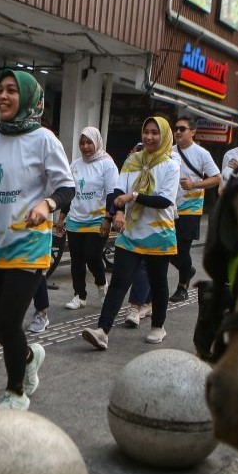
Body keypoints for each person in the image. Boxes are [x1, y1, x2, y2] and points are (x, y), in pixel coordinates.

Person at [0, 69, 74, 410]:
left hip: (29, 242)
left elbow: (67, 187)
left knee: (10, 320)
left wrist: (47, 203)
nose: (4, 96)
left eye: (12, 90)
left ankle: (16, 391)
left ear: (26, 98)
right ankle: (28, 355)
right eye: (0, 90)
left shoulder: (44, 140)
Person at [82, 116, 179, 349]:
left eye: (155, 133)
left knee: (157, 283)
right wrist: (116, 211)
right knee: (119, 282)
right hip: (131, 233)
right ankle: (102, 331)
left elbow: (164, 201)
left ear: (164, 136)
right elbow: (118, 189)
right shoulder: (132, 161)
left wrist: (132, 197)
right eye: (146, 131)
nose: (149, 137)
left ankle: (158, 326)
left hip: (158, 233)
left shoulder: (171, 165)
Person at [58, 127, 119, 310]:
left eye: (89, 142)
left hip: (97, 219)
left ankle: (101, 284)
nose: (85, 147)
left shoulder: (107, 164)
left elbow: (111, 193)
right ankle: (79, 295)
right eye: (82, 143)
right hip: (76, 219)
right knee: (77, 260)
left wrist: (108, 218)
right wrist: (61, 218)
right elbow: (69, 193)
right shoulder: (75, 165)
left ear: (97, 143)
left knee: (92, 256)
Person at [169, 117, 220, 303]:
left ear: (193, 132)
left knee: (182, 249)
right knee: (167, 249)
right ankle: (188, 270)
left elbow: (216, 178)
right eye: (176, 128)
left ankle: (182, 286)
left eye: (182, 129)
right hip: (170, 207)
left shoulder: (202, 153)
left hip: (191, 208)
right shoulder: (169, 151)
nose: (178, 132)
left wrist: (194, 184)